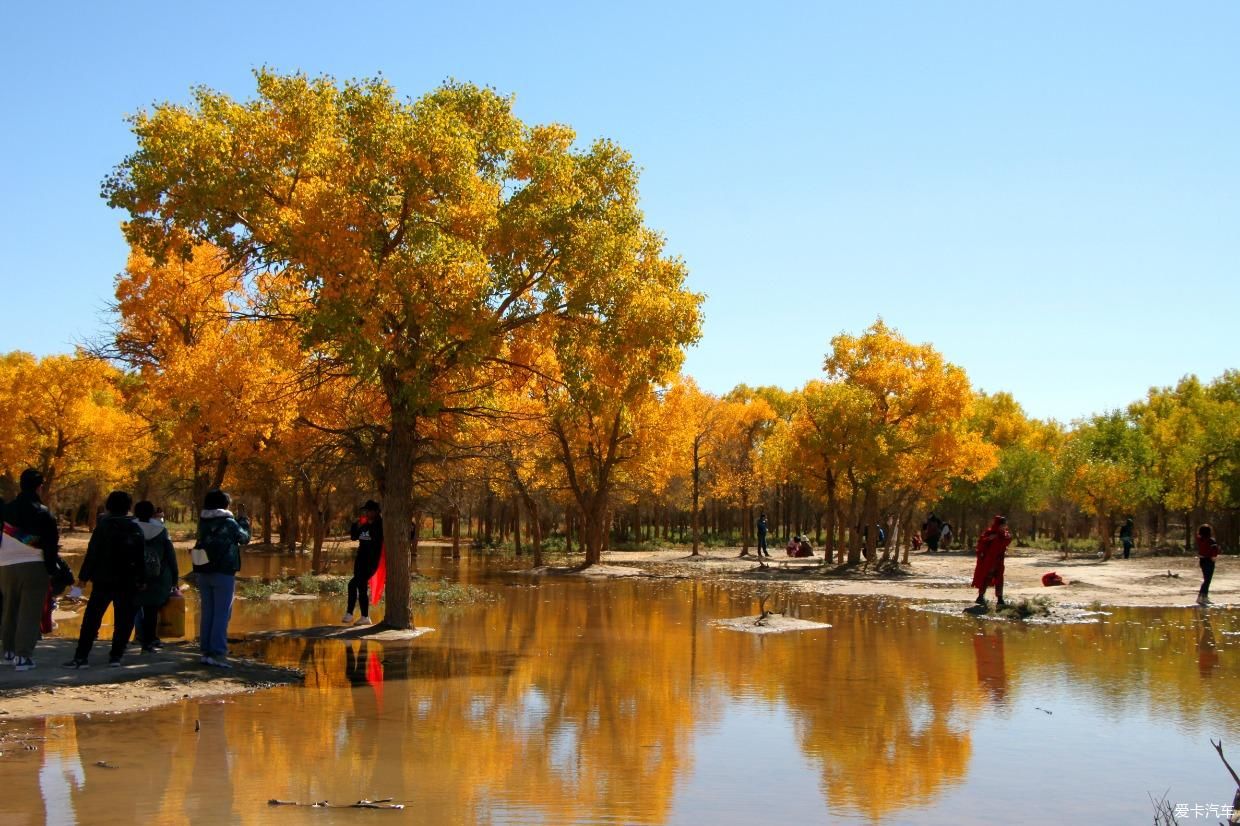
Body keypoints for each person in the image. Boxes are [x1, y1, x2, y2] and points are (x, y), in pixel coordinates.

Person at [64, 491, 146, 668]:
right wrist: (142, 579)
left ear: (109, 506)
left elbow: (92, 554)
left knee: (92, 619)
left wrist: (82, 579)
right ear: (128, 507)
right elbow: (141, 557)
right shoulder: (135, 527)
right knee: (124, 620)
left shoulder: (103, 527)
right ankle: (116, 656)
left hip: (103, 580)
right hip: (128, 581)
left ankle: (81, 657)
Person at [1, 469, 63, 671]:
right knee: (29, 612)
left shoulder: (5, 510)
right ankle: (23, 656)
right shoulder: (43, 513)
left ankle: (8, 651)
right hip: (34, 565)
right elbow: (50, 545)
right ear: (39, 486)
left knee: (9, 609)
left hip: (6, 565)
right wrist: (52, 569)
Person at [193, 489, 250, 667]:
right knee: (222, 613)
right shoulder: (229, 522)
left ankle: (206, 651)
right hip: (223, 572)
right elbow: (244, 538)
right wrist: (244, 520)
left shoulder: (202, 522)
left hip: (203, 570)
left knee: (208, 612)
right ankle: (218, 653)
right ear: (225, 504)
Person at [133, 500, 178, 652]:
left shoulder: (131, 528)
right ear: (153, 513)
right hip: (157, 576)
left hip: (134, 575)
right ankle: (149, 642)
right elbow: (170, 555)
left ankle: (126, 641)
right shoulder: (161, 530)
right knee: (151, 610)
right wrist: (175, 577)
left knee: (132, 608)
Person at [344, 500, 384, 626]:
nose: (367, 513)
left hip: (371, 562)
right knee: (361, 588)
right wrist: (356, 524)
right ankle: (365, 617)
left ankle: (349, 613)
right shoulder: (364, 525)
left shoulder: (381, 525)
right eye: (366, 511)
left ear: (376, 512)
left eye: (369, 510)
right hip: (360, 560)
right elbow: (354, 537)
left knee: (352, 584)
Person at [972, 515, 1012, 608]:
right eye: (1002, 525)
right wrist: (989, 539)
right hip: (989, 561)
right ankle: (980, 597)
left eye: (1005, 525)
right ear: (998, 525)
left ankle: (1000, 599)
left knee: (999, 579)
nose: (1004, 527)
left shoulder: (1005, 535)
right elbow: (981, 543)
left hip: (999, 561)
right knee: (986, 578)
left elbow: (1006, 541)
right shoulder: (990, 533)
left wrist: (1007, 538)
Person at [1196, 524, 1220, 606]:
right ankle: (1203, 597)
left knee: (1206, 579)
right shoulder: (1211, 540)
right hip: (1209, 560)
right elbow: (1215, 550)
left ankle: (1202, 597)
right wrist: (1214, 557)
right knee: (1207, 580)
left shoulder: (1199, 539)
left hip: (1202, 560)